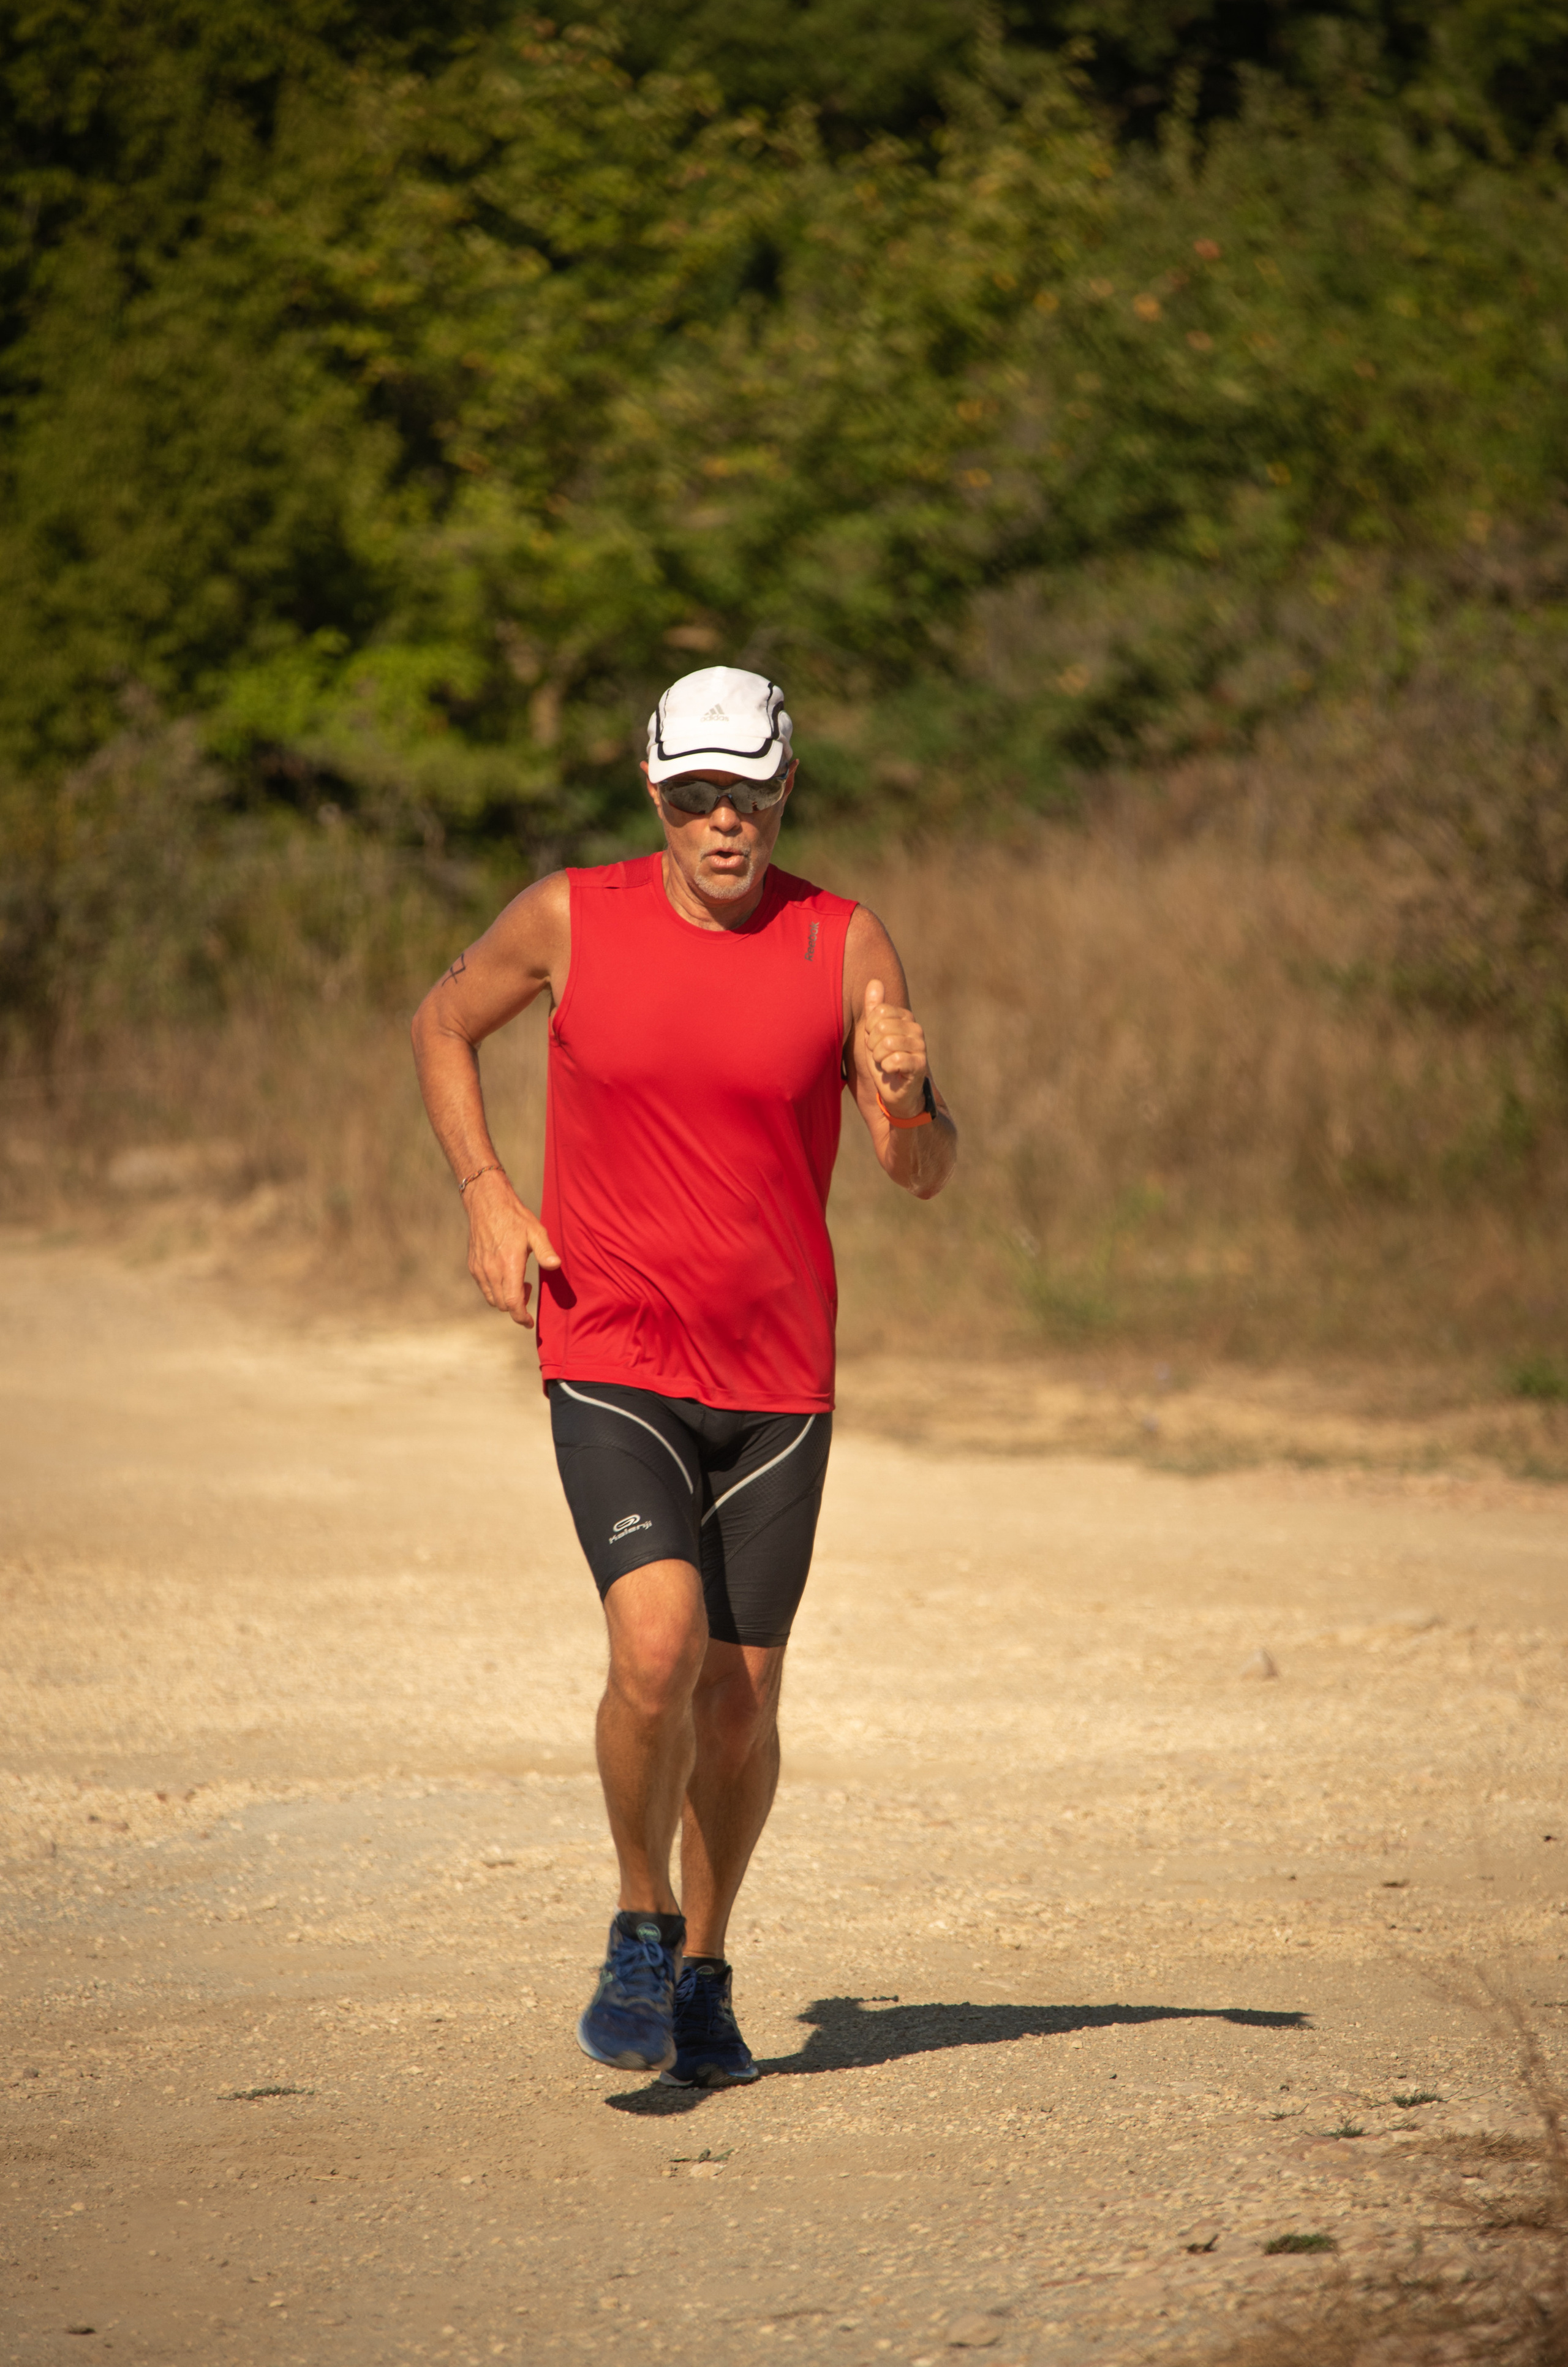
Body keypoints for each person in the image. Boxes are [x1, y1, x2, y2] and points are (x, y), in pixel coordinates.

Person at [411, 666, 956, 2087]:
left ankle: (706, 1970)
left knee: (738, 1701)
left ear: (787, 792)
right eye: (697, 797)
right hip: (610, 1346)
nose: (728, 824)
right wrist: (484, 1190)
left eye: (753, 796)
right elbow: (439, 1023)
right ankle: (637, 1924)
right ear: (653, 794)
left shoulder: (841, 944)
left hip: (778, 1376)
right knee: (656, 1647)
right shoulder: (568, 917)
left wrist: (903, 1092)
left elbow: (920, 1175)